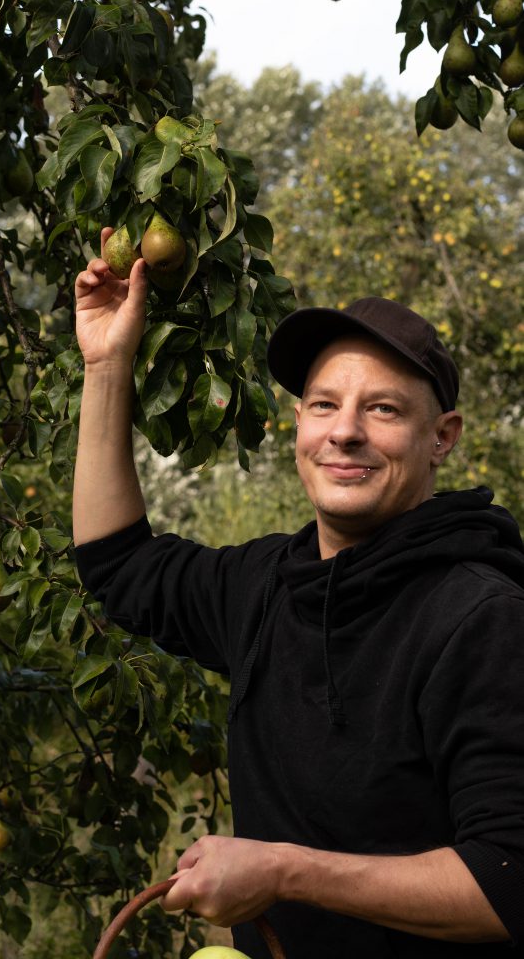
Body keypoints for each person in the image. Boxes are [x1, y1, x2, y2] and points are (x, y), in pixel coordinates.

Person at [72, 229, 524, 958]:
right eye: (322, 404)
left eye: (382, 409)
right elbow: (117, 563)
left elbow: (508, 883)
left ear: (441, 437)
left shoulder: (482, 619)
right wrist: (107, 363)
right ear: (298, 425)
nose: (342, 432)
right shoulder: (263, 586)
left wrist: (283, 870)